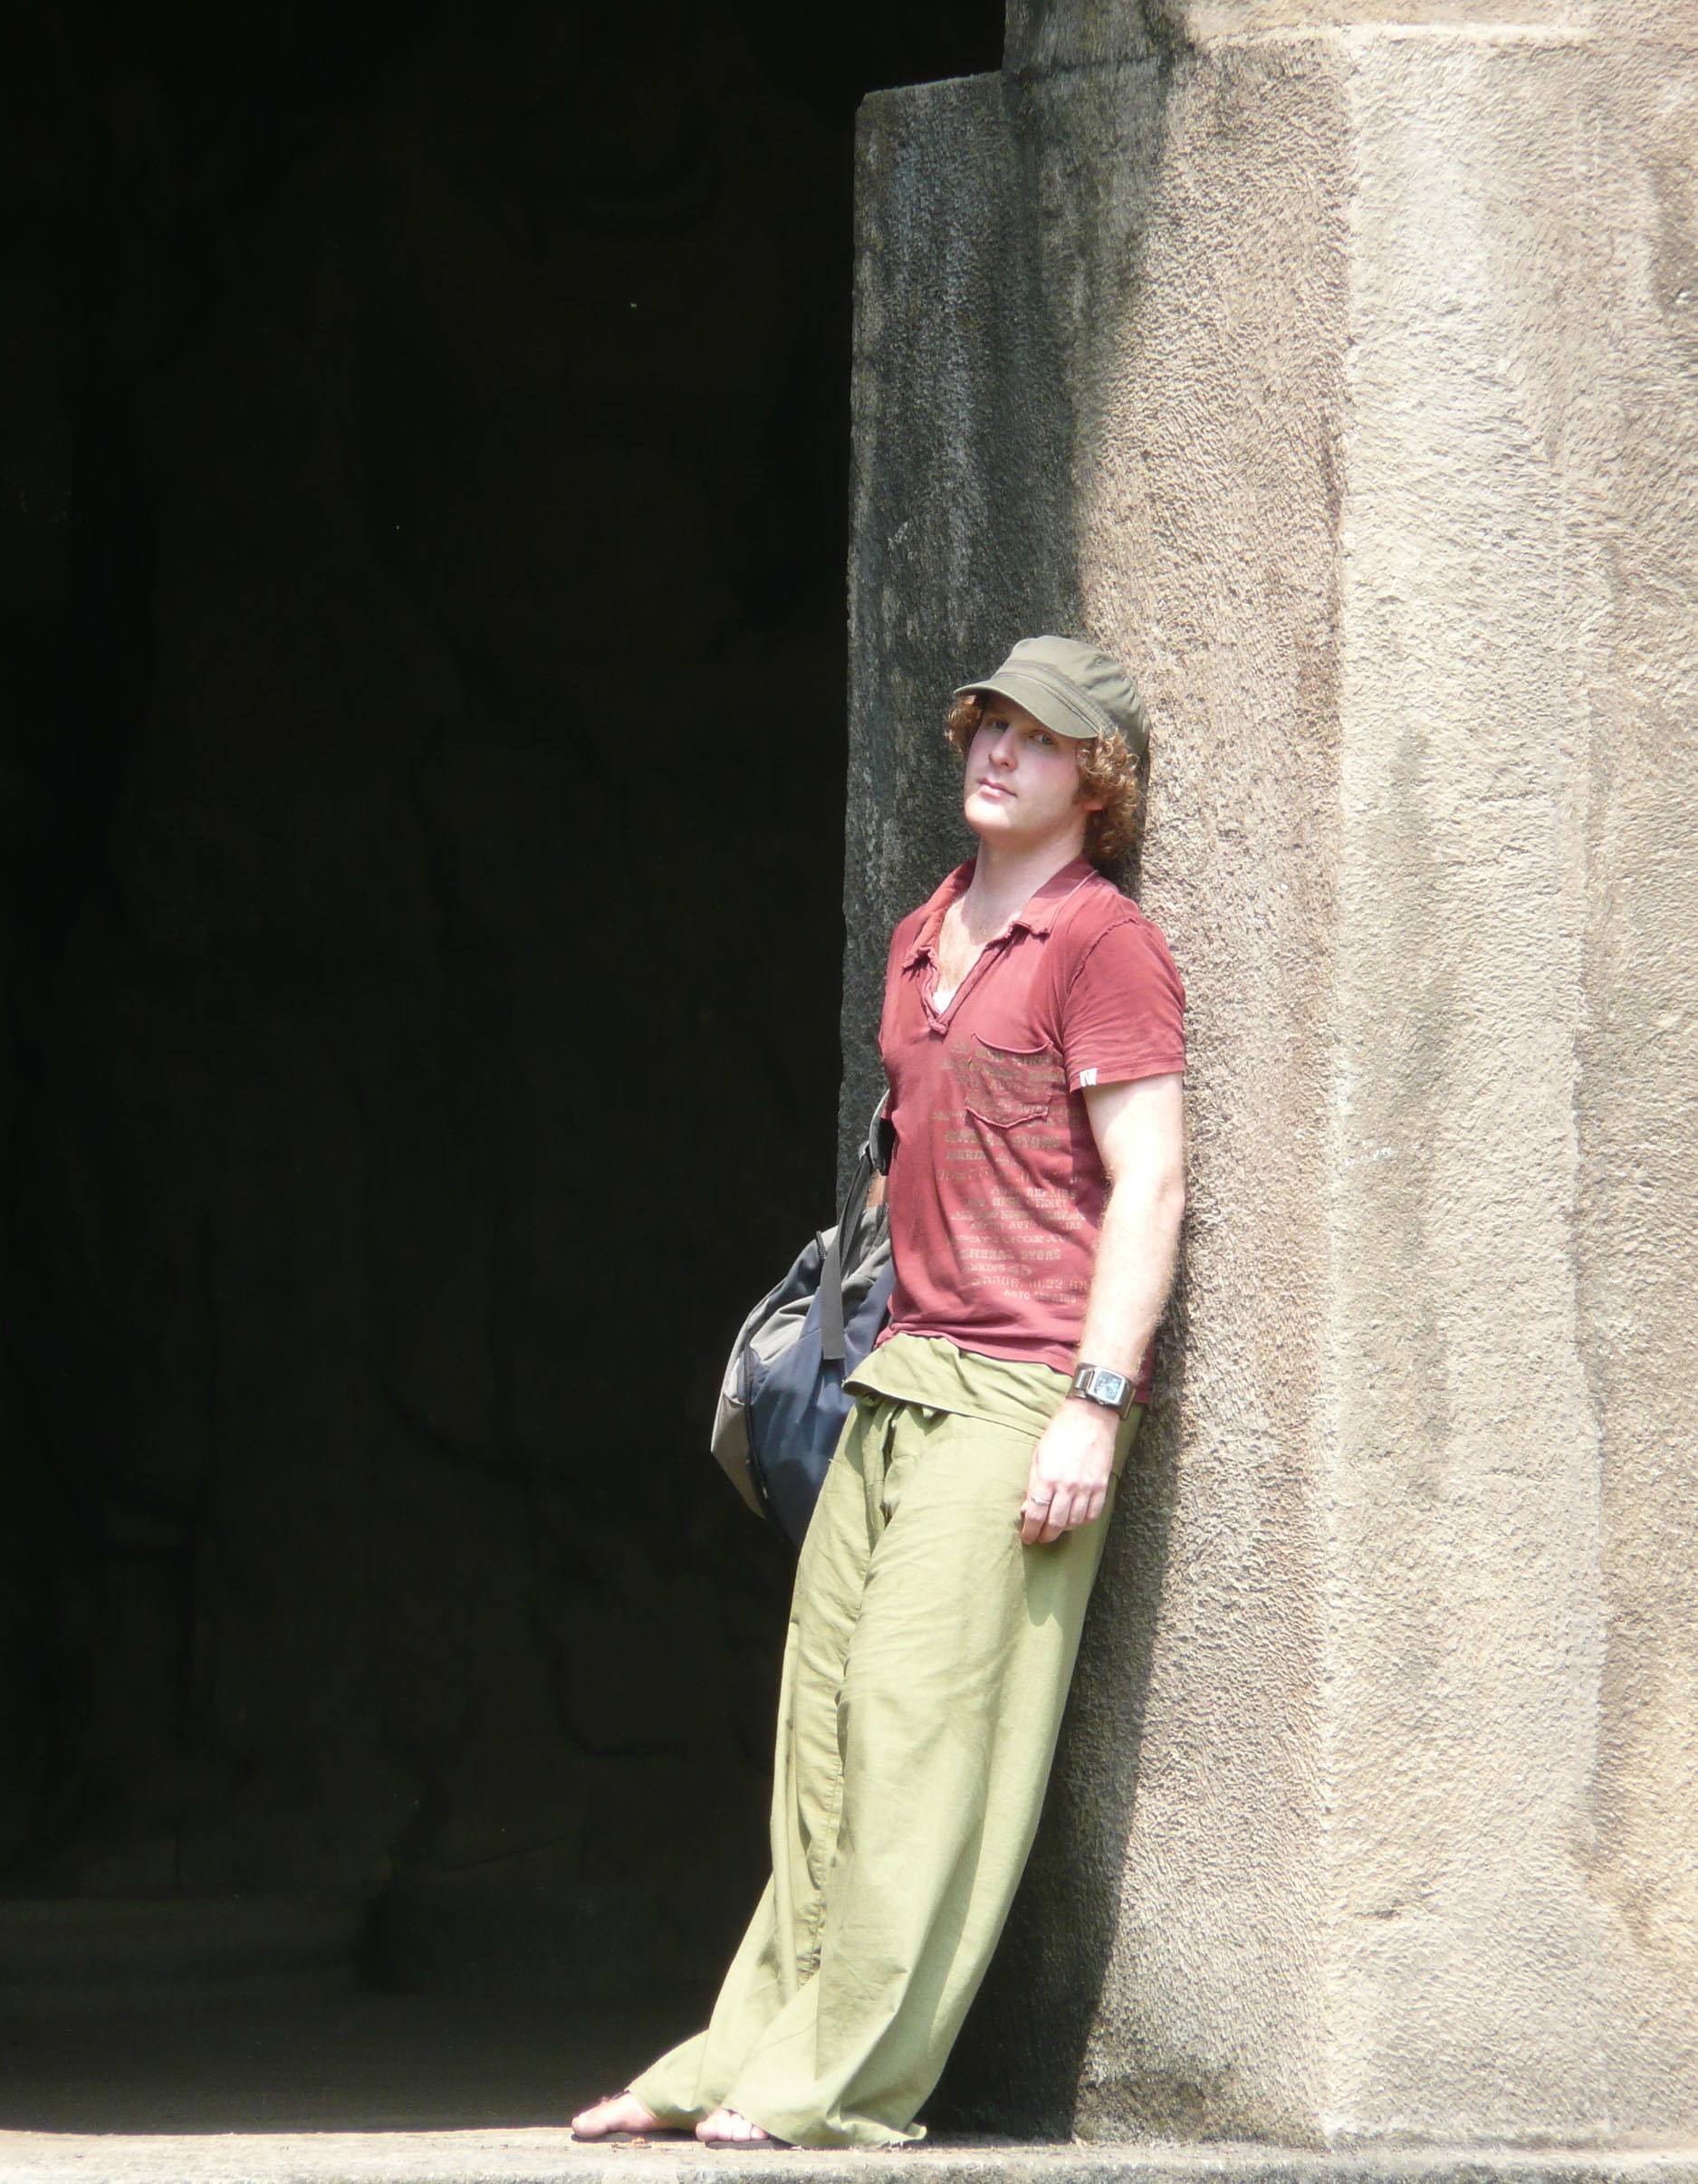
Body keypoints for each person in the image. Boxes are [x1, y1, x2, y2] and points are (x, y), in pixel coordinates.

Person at [572, 635, 1186, 2150]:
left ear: (1093, 782)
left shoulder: (1105, 944)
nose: (996, 752)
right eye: (986, 726)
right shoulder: (926, 932)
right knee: (828, 1734)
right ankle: (741, 2054)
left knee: (922, 1736)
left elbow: (1153, 1181)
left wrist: (1095, 1403)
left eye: (1037, 740)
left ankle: (841, 2085)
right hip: (900, 1373)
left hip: (1019, 1391)